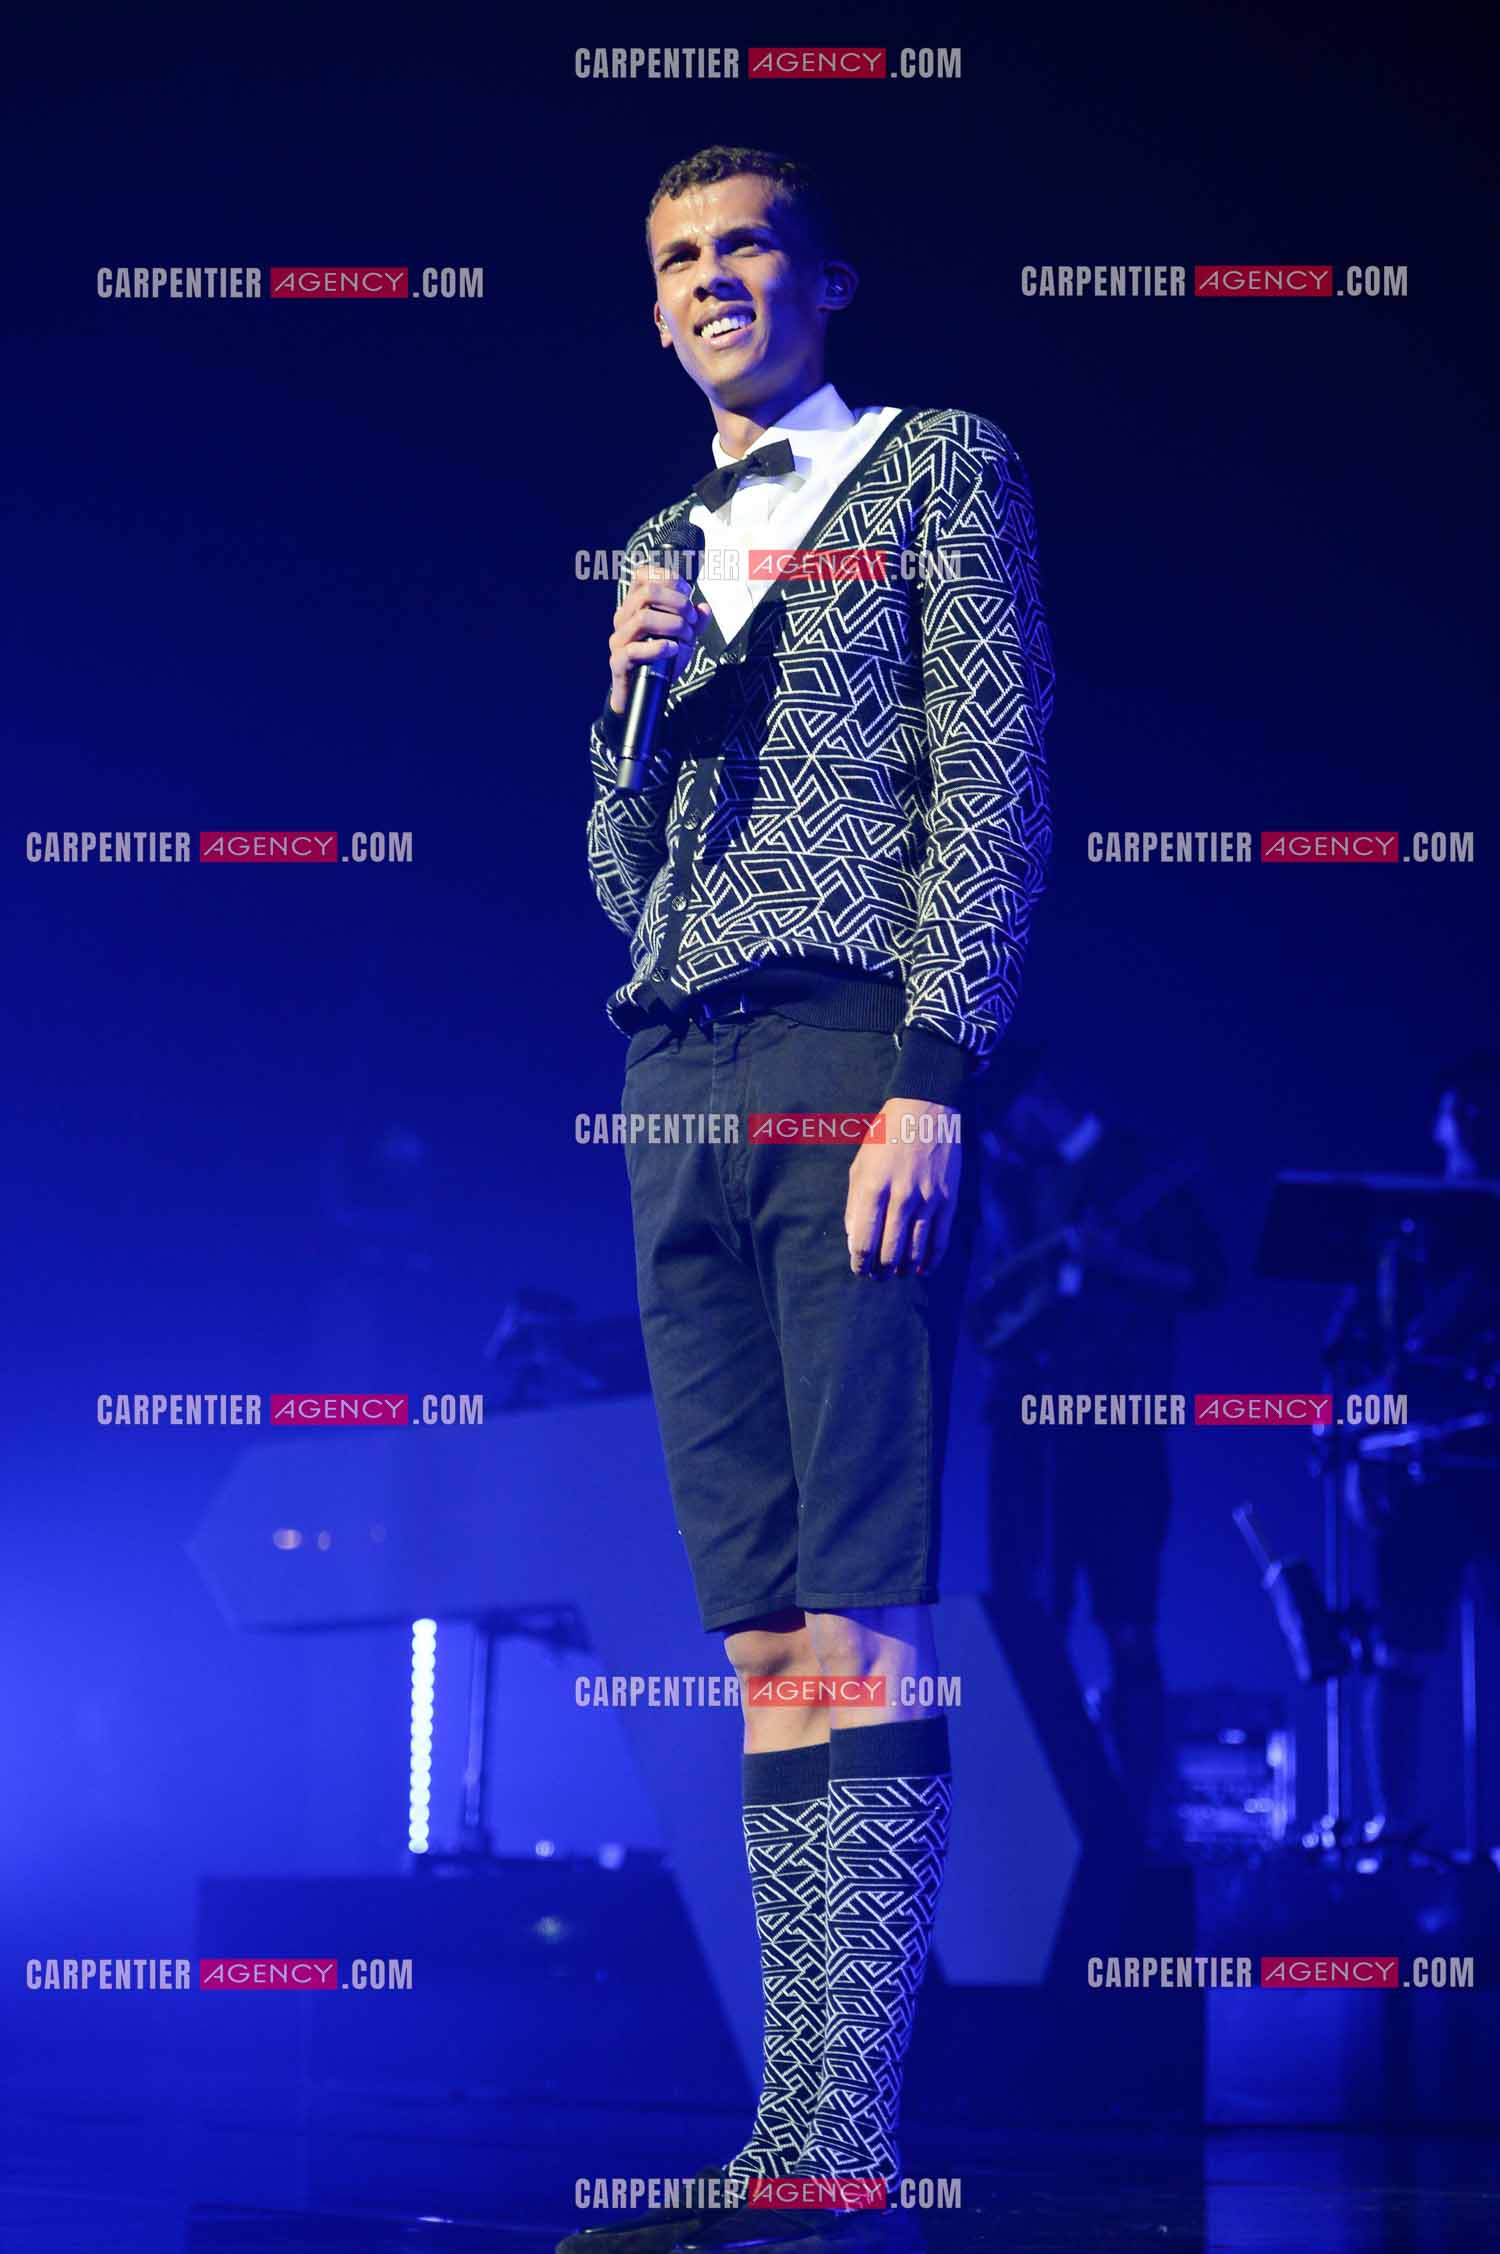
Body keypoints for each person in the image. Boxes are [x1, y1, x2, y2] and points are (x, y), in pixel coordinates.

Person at [573, 146, 1053, 2252]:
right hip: (669, 1070)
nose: (711, 279)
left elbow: (1000, 771)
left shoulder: (937, 463)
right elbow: (617, 882)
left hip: (847, 1058)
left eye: (745, 243)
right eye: (679, 257)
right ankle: (800, 2131)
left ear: (827, 276)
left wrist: (935, 1079)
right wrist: (631, 708)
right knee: (765, 1624)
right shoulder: (669, 543)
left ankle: (841, 2130)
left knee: (855, 1605)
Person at [971, 1057, 1226, 1844]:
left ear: (1036, 1100)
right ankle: (1044, 1819)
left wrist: (1116, 1263)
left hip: (1118, 1428)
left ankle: (1139, 1823)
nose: (999, 1143)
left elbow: (1205, 1279)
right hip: (1029, 1427)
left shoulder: (1143, 1167)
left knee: (1130, 1624)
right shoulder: (1009, 1182)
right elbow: (991, 1309)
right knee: (1031, 1615)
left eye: (1005, 1123)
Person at [1335, 1050, 1500, 1843]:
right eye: (1457, 1108)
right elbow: (1355, 1355)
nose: (1470, 1121)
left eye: (1484, 1106)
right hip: (1418, 1470)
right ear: (1439, 1124)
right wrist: (1359, 1453)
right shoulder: (1402, 1239)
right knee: (1399, 1654)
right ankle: (1392, 1827)